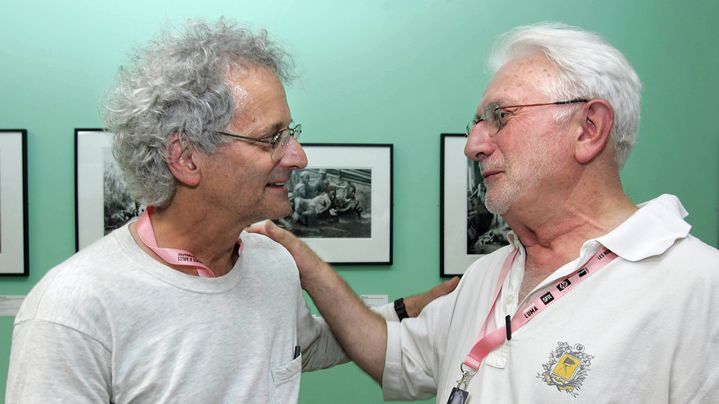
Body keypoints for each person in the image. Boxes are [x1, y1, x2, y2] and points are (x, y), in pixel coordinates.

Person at [252, 22, 719, 403]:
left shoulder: (699, 289)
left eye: (501, 117)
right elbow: (391, 354)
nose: (474, 145)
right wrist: (302, 258)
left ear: (589, 128)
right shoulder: (488, 274)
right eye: (476, 123)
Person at [6, 19, 457, 403]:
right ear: (185, 158)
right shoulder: (74, 308)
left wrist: (414, 307)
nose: (299, 157)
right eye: (270, 138)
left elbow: (304, 347)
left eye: (291, 132)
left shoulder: (272, 264)